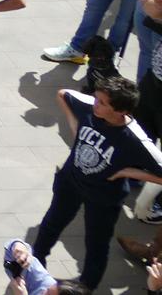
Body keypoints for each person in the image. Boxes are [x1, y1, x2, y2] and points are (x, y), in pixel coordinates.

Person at [29, 76, 162, 292]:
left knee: (96, 245)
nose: (95, 104)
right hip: (71, 181)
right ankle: (34, 266)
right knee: (51, 224)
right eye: (96, 98)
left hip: (103, 198)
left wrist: (129, 171)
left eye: (102, 103)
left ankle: (84, 287)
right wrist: (74, 125)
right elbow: (63, 94)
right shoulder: (90, 106)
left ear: (121, 112)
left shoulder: (135, 139)